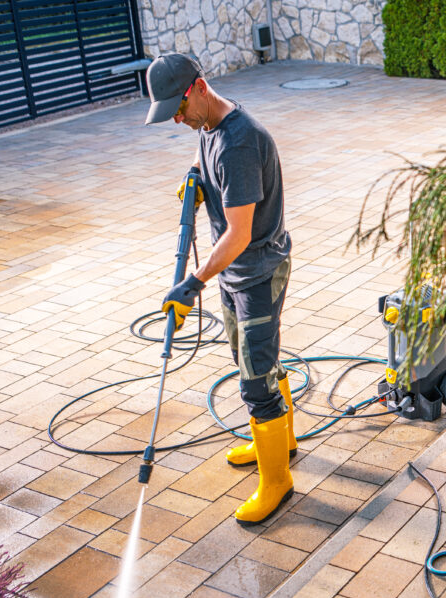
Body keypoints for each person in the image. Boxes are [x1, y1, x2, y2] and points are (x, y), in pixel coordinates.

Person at [144, 53, 296, 525]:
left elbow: (239, 234)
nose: (177, 119)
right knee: (252, 360)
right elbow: (203, 149)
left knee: (255, 380)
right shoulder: (210, 125)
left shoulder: (239, 143)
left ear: (198, 87)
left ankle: (277, 482)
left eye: (178, 108)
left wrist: (193, 283)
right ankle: (281, 441)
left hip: (256, 272)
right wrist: (194, 176)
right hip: (236, 272)